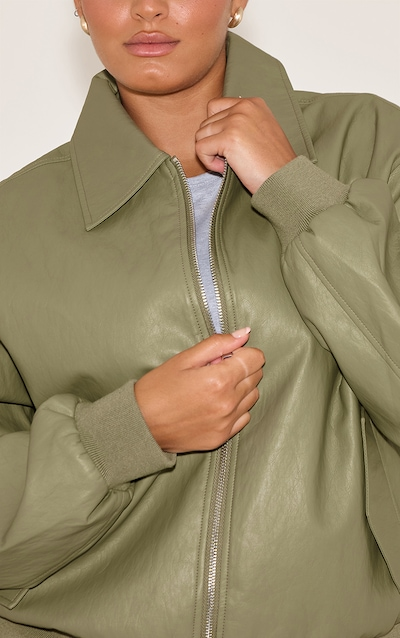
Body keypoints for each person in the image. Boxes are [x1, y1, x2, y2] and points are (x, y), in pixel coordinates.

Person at [0, 0, 400, 636]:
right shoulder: (14, 221)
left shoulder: (373, 147)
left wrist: (293, 189)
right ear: (79, 6)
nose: (148, 7)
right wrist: (121, 436)